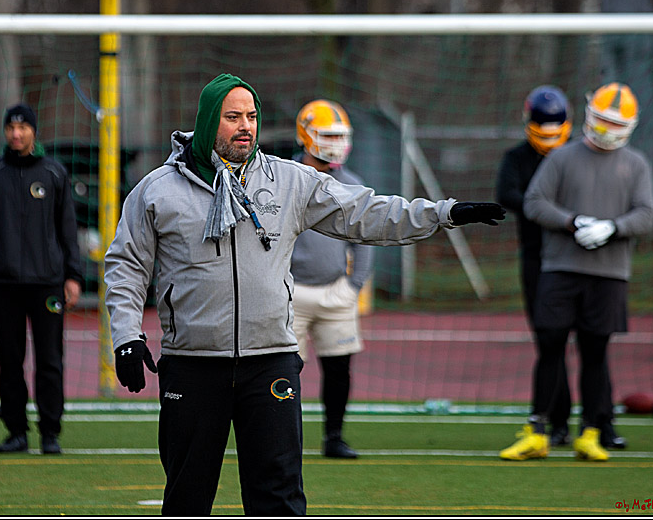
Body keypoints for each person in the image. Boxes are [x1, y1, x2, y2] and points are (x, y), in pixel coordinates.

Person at [104, 73, 505, 514]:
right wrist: (126, 336)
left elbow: (365, 212)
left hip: (270, 361)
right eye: (233, 116)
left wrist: (444, 213)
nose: (246, 127)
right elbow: (127, 265)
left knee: (279, 497)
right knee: (187, 497)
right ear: (205, 123)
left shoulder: (289, 181)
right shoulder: (157, 190)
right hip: (193, 366)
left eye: (252, 116)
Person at [499, 82, 653, 463]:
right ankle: (538, 430)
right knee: (550, 346)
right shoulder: (561, 159)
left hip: (609, 273)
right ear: (587, 116)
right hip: (559, 268)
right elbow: (534, 202)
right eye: (601, 119)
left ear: (630, 126)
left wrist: (613, 227)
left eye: (614, 123)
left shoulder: (636, 165)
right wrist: (572, 222)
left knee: (595, 351)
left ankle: (592, 431)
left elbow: (646, 214)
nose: (606, 129)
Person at [0, 103, 83, 455]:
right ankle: (16, 432)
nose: (16, 134)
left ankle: (50, 432)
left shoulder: (54, 173)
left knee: (50, 360)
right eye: (10, 128)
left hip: (48, 284)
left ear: (33, 131)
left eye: (22, 128)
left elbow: (68, 230)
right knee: (10, 360)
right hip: (2, 286)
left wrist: (73, 276)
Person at [289, 100, 373, 459]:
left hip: (335, 289)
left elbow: (365, 238)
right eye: (328, 135)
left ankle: (334, 437)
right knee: (283, 371)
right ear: (306, 135)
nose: (336, 142)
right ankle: (283, 438)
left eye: (341, 135)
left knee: (339, 368)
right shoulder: (284, 177)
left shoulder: (352, 183)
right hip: (290, 292)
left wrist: (354, 285)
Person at [495, 85, 576, 446]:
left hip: (577, 258)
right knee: (549, 341)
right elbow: (505, 194)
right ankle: (551, 421)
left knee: (590, 345)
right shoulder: (517, 158)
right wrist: (545, 209)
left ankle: (598, 423)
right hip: (536, 260)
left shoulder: (577, 156)